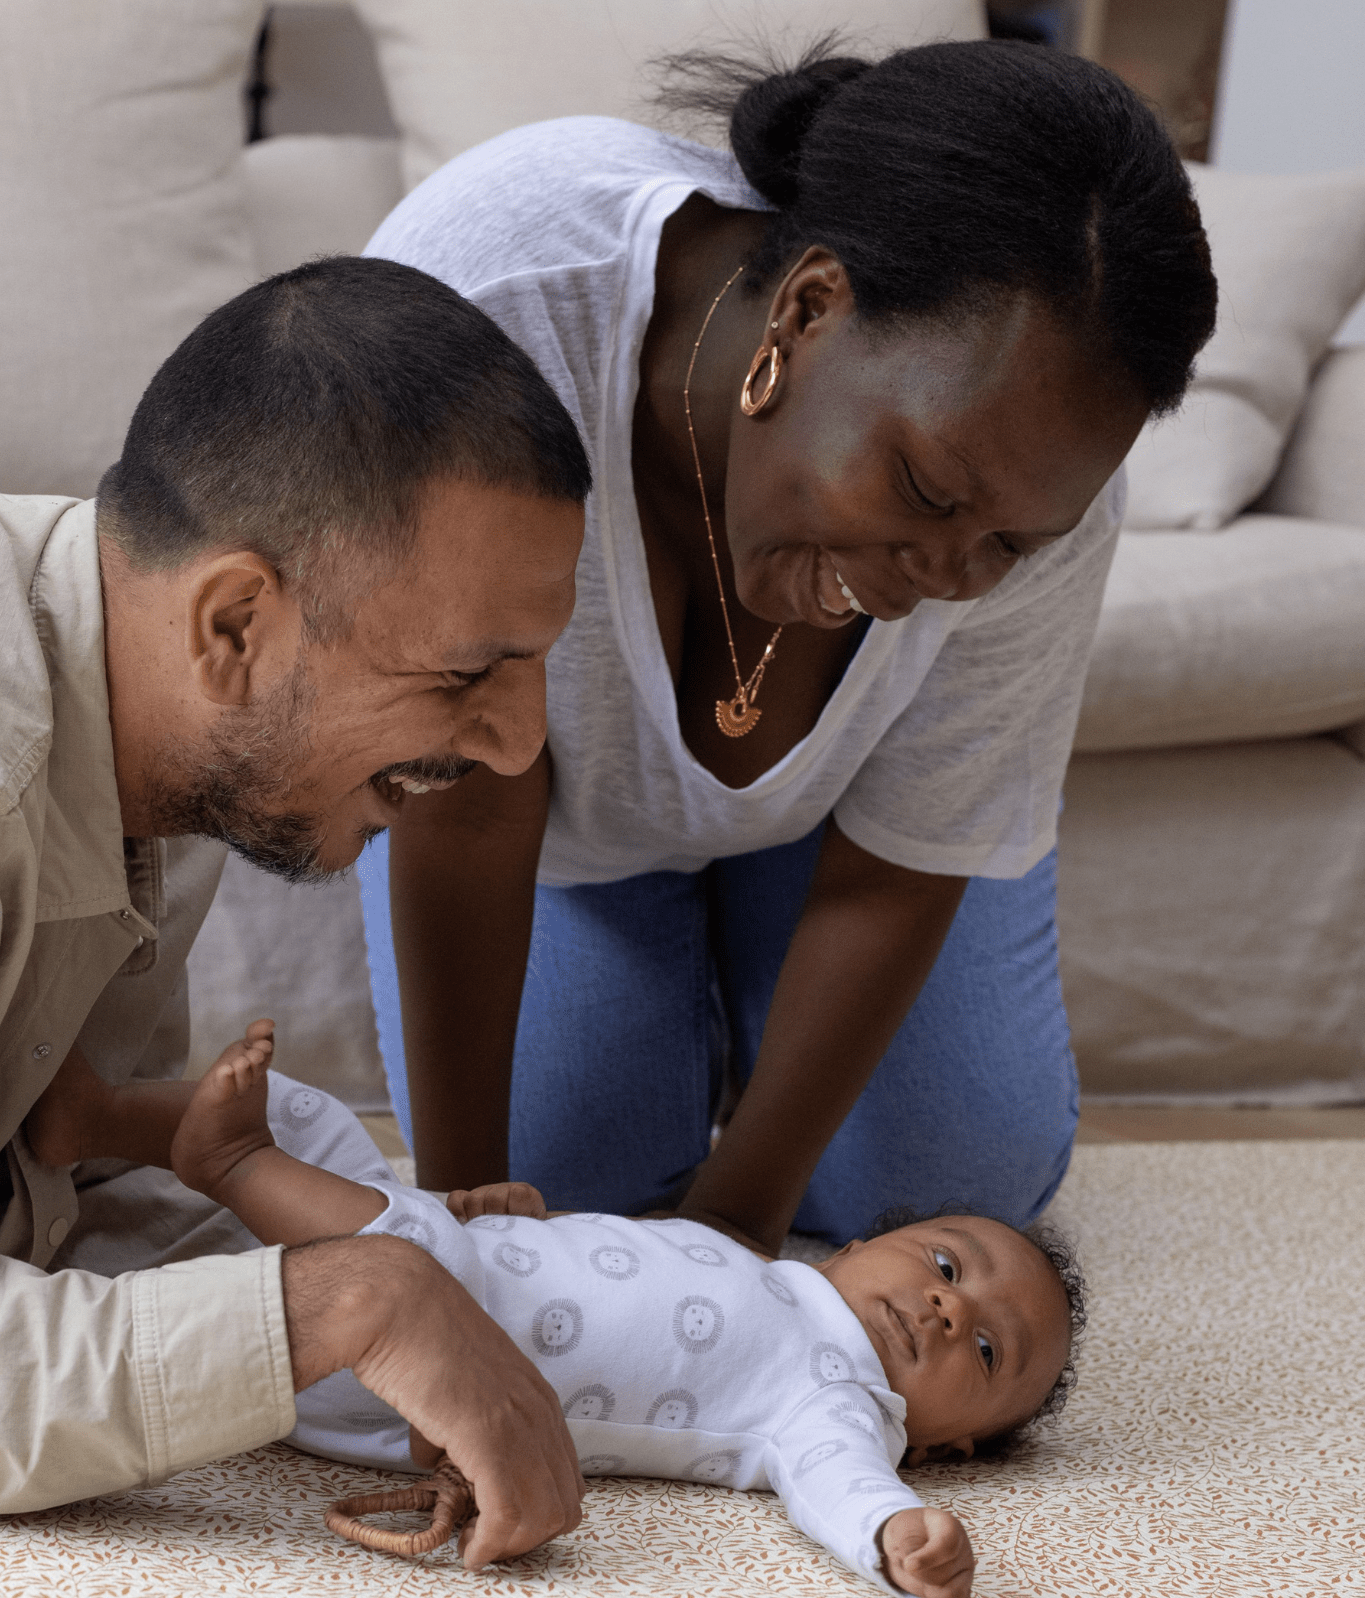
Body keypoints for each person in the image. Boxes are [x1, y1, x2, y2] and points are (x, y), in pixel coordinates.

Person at [356, 40, 1218, 1255]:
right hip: (517, 815)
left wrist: (736, 1227)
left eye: (1009, 545)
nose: (946, 581)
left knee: (944, 1189)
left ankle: (738, 987)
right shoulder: (492, 312)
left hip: (840, 842)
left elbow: (902, 858)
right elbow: (469, 800)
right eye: (921, 489)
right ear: (807, 310)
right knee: (561, 1181)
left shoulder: (1034, 488)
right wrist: (460, 1235)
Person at [0, 257, 594, 1559]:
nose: (519, 744)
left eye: (536, 666)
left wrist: (442, 1271)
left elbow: (63, 1192)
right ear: (234, 624)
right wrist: (350, 1302)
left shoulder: (159, 741)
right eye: (472, 673)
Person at [30, 1017, 1086, 1598]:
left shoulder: (838, 1403)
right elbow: (612, 1269)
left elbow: (837, 1482)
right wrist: (495, 1222)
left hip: (420, 1382)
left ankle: (232, 1167)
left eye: (989, 1352)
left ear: (953, 1443)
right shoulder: (766, 1271)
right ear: (858, 1246)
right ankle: (95, 1119)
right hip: (454, 1266)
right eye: (949, 1264)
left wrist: (897, 1536)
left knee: (403, 1252)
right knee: (319, 1123)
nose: (952, 1309)